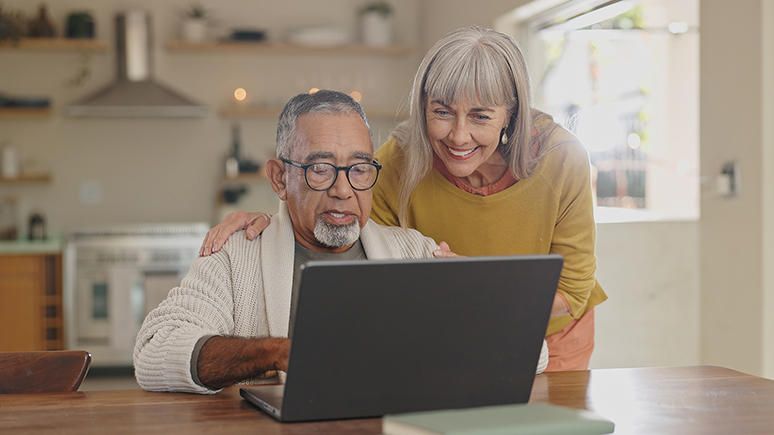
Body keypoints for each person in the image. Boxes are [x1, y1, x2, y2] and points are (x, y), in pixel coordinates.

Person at [199, 27, 605, 372]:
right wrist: (275, 220)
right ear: (423, 106)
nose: (458, 136)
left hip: (552, 335)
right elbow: (340, 219)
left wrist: (480, 291)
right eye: (442, 112)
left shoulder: (563, 159)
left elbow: (573, 289)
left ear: (510, 115)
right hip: (456, 328)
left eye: (481, 116)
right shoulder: (396, 163)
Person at [134, 90, 550, 394]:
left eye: (359, 168)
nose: (343, 190)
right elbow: (154, 353)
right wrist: (276, 352)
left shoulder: (413, 252)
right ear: (280, 178)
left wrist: (479, 301)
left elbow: (536, 354)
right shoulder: (236, 253)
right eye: (320, 169)